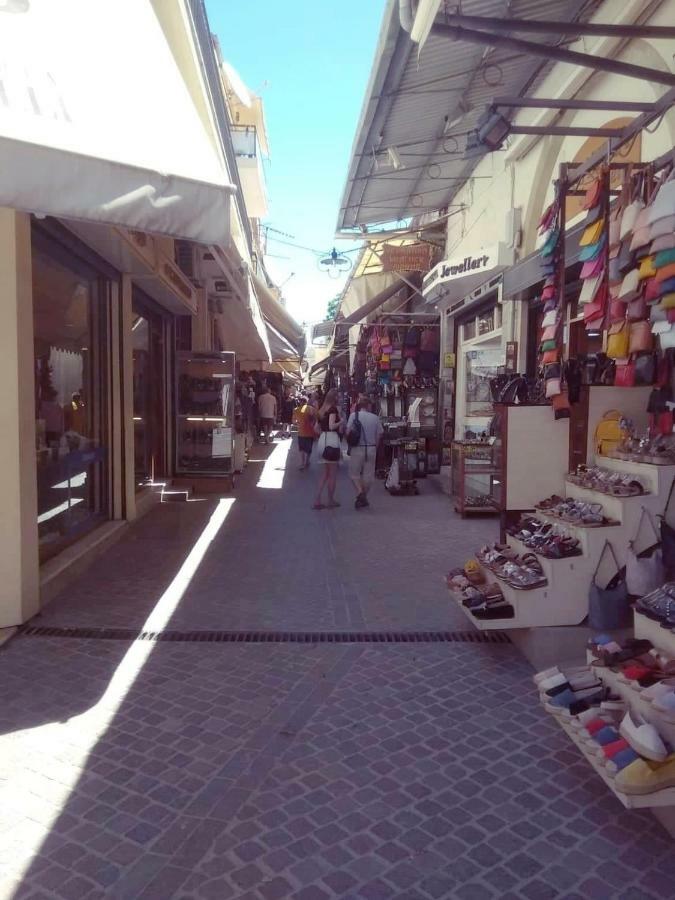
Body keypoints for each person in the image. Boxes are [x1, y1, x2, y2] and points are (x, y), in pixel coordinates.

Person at [346, 394, 384, 509]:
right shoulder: (375, 418)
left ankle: (359, 492)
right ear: (368, 406)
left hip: (357, 448)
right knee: (368, 476)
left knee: (354, 474)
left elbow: (348, 432)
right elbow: (380, 434)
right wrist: (375, 446)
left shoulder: (353, 416)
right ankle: (363, 497)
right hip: (371, 448)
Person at [313, 388, 343, 510]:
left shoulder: (321, 410)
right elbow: (331, 426)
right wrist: (341, 421)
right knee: (332, 474)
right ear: (335, 397)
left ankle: (317, 499)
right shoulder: (333, 409)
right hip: (332, 440)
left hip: (323, 440)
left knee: (325, 473)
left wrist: (322, 435)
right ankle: (330, 500)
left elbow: (316, 428)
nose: (340, 398)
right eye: (338, 396)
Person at [293, 395, 316, 470]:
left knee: (302, 449)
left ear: (299, 402)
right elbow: (315, 419)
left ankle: (302, 463)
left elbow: (294, 422)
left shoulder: (296, 410)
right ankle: (307, 461)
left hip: (301, 432)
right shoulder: (311, 409)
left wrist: (299, 423)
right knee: (309, 449)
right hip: (310, 432)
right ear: (307, 402)